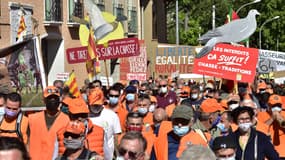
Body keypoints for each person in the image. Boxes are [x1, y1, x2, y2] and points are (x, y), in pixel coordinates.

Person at [28, 86, 70, 160]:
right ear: (44, 100)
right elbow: (26, 142)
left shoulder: (66, 120)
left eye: (55, 98)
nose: (53, 100)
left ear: (59, 100)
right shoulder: (32, 118)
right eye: (50, 98)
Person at [88, 88, 122, 160]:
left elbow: (116, 137)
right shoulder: (84, 116)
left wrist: (117, 155)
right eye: (94, 105)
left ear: (103, 101)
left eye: (98, 105)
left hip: (107, 156)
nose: (96, 107)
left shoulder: (112, 115)